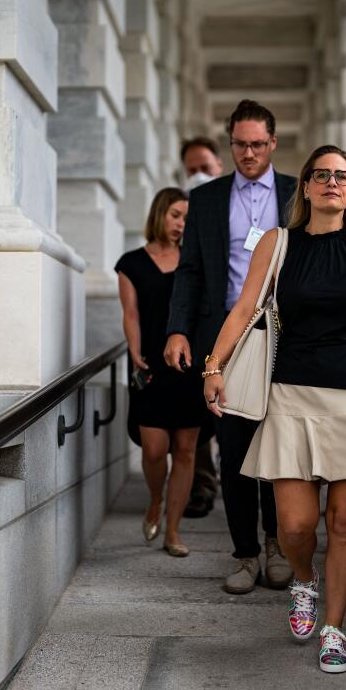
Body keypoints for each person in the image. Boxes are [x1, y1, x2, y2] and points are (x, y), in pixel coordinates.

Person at [202, 145, 346, 674]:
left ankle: (334, 629)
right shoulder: (277, 245)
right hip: (291, 393)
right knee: (297, 526)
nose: (331, 183)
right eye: (320, 175)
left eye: (341, 177)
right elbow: (243, 308)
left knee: (343, 519)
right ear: (304, 187)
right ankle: (304, 579)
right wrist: (213, 365)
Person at [165, 99, 297, 594]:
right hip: (225, 336)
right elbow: (191, 271)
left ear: (273, 144)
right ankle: (244, 555)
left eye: (257, 144)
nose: (248, 153)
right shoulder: (206, 199)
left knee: (279, 445)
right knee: (235, 448)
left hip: (284, 338)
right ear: (230, 145)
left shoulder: (294, 194)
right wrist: (178, 329)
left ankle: (277, 545)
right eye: (240, 144)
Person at [114, 188, 203, 558]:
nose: (181, 223)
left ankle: (173, 530)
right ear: (160, 214)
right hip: (149, 363)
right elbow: (131, 312)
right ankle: (155, 498)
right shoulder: (131, 262)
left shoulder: (195, 262)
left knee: (185, 449)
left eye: (187, 217)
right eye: (176, 215)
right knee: (154, 447)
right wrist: (133, 349)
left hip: (189, 366)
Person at [178, 137, 225, 519]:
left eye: (205, 168)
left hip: (234, 328)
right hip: (194, 334)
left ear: (219, 167)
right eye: (191, 168)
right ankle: (203, 486)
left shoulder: (230, 208)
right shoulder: (177, 212)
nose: (198, 175)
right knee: (198, 418)